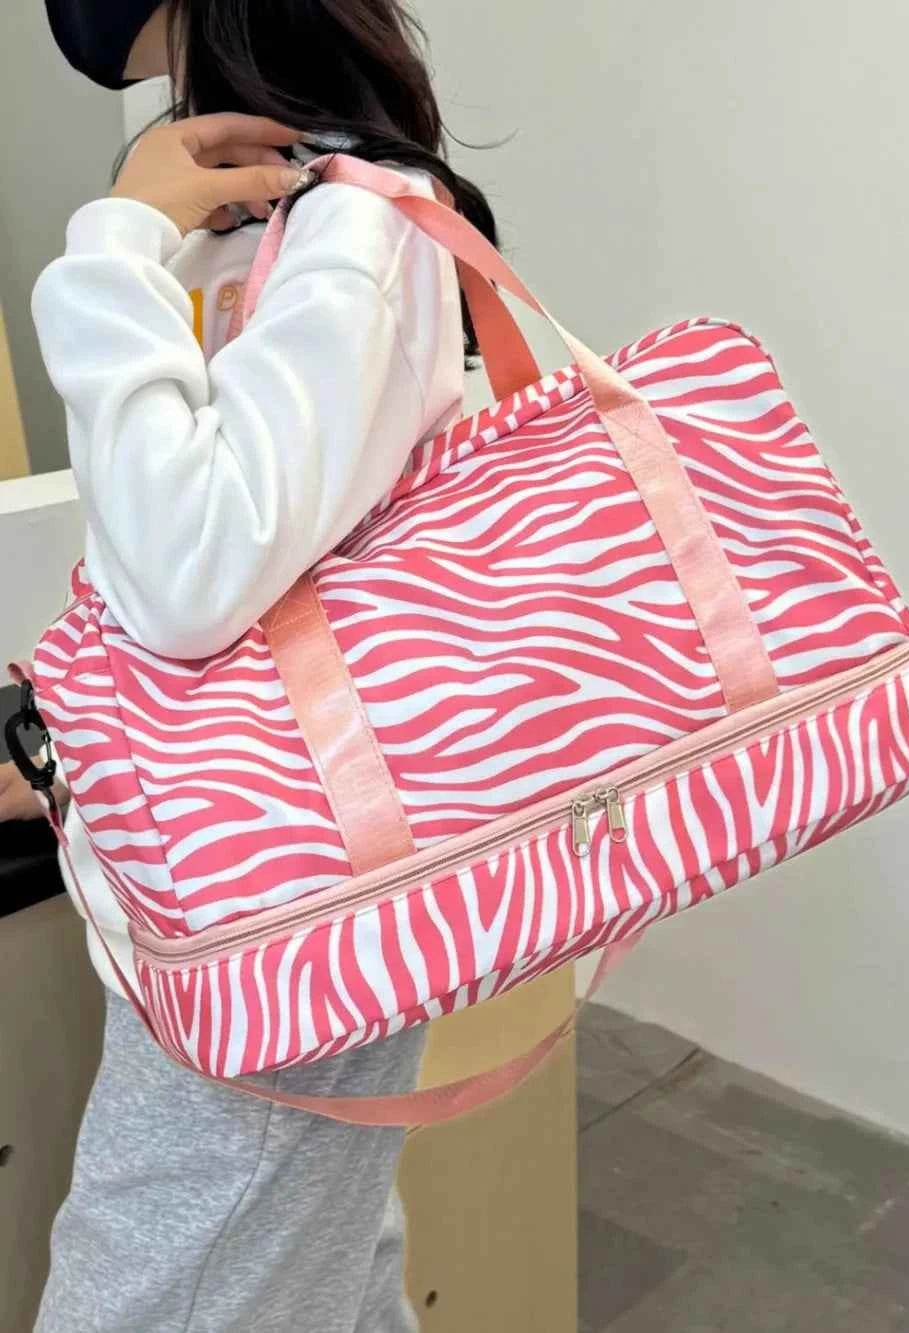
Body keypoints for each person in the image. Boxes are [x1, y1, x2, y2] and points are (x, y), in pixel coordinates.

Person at [1, 2, 497, 1328]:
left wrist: (113, 242)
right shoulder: (262, 226)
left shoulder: (354, 225)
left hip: (284, 897)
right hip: (254, 870)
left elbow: (188, 573)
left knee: (162, 1284)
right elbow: (224, 572)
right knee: (320, 1271)